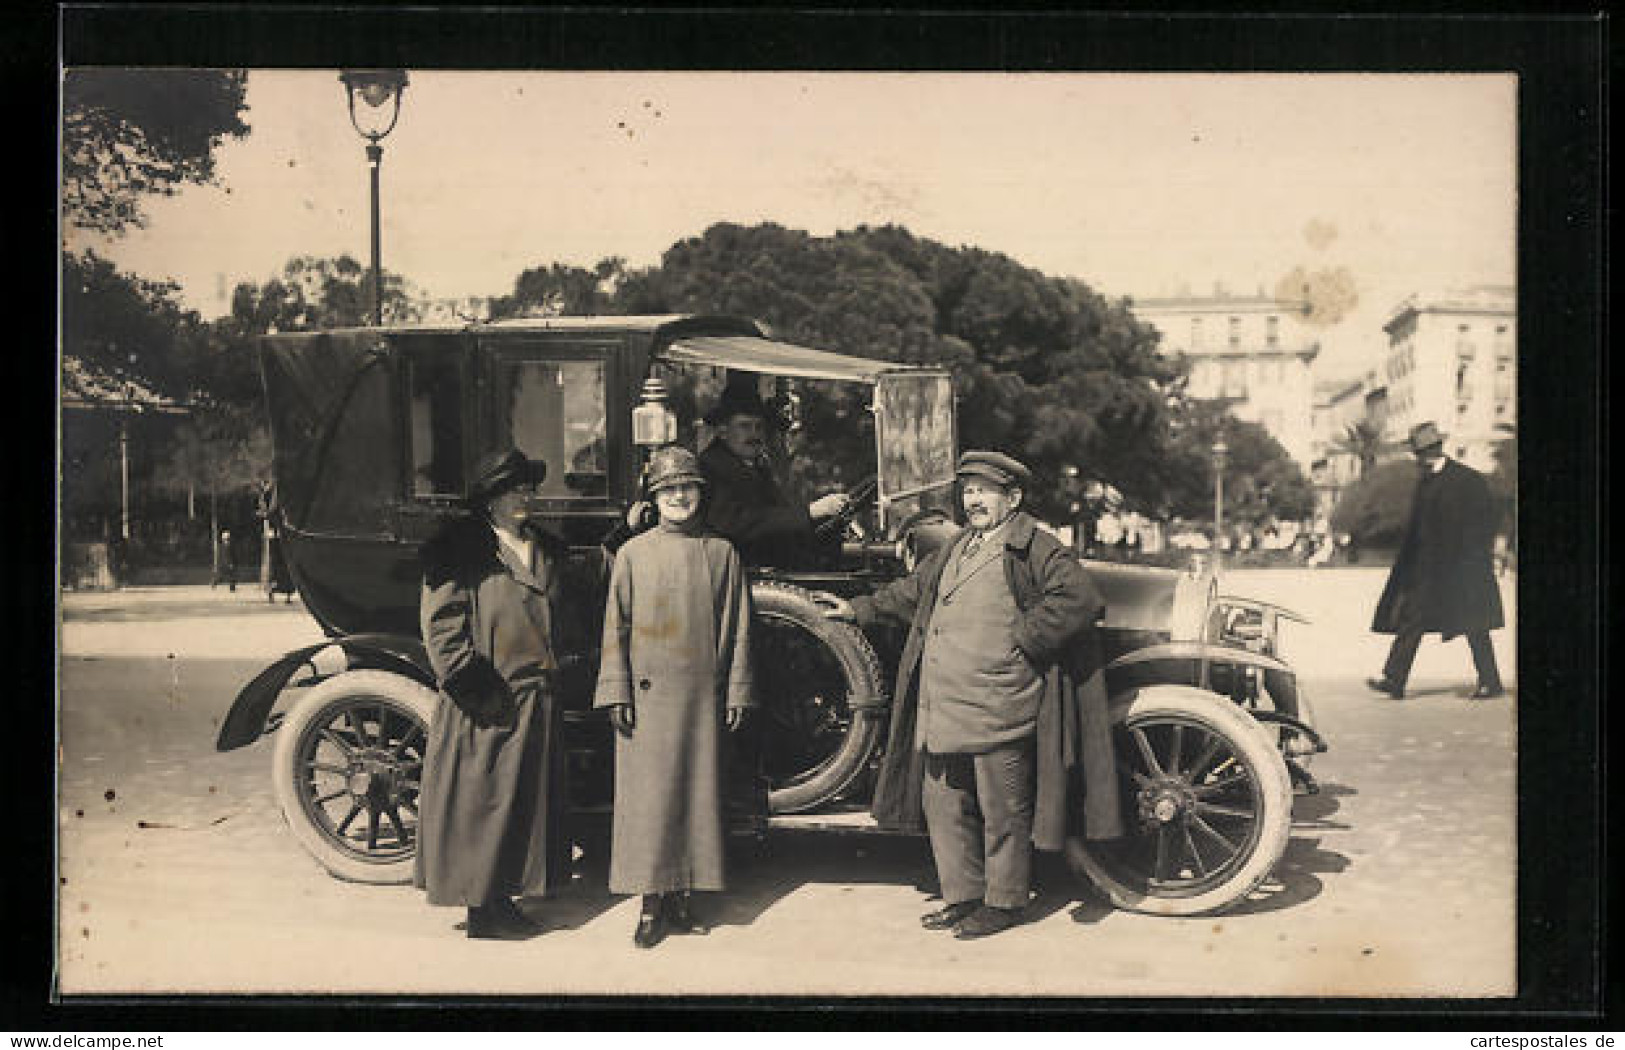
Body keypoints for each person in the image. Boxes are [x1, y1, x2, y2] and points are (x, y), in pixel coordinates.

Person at [823, 450, 1122, 940]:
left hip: (999, 702)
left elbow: (1081, 599)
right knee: (943, 803)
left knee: (1002, 809)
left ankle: (1003, 902)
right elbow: (910, 592)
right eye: (968, 491)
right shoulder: (959, 544)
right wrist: (856, 609)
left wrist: (1024, 640)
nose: (974, 500)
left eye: (985, 491)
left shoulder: (1035, 546)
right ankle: (963, 897)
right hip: (943, 703)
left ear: (1014, 498)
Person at [594, 445, 755, 949]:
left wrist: (736, 690)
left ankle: (684, 895)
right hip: (647, 699)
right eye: (668, 489)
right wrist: (615, 688)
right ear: (654, 497)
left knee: (696, 796)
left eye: (687, 488)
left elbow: (738, 628)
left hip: (701, 696)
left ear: (699, 494)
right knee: (649, 801)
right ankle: (649, 903)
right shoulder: (633, 554)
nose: (679, 497)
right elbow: (614, 627)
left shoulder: (722, 552)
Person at [415, 448, 571, 939]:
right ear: (488, 501)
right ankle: (482, 910)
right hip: (489, 701)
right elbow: (442, 630)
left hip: (536, 698)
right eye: (510, 489)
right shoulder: (460, 552)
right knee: (483, 804)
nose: (522, 496)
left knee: (521, 804)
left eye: (526, 486)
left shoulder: (541, 548)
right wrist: (474, 687)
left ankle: (503, 900)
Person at [1366, 421, 1506, 701]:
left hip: (1461, 570)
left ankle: (1491, 681)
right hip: (1426, 571)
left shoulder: (1467, 480)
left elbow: (1484, 523)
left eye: (1419, 453)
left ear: (1432, 450)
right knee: (1411, 620)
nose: (1417, 459)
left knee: (1473, 624)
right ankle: (1394, 679)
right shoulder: (1425, 481)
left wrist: (1479, 559)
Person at [697, 377, 850, 566]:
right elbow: (738, 524)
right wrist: (810, 513)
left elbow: (777, 516)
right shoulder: (711, 467)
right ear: (722, 431)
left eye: (759, 427)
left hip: (773, 564)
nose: (754, 435)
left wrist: (825, 518)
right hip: (740, 570)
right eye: (745, 426)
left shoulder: (756, 466)